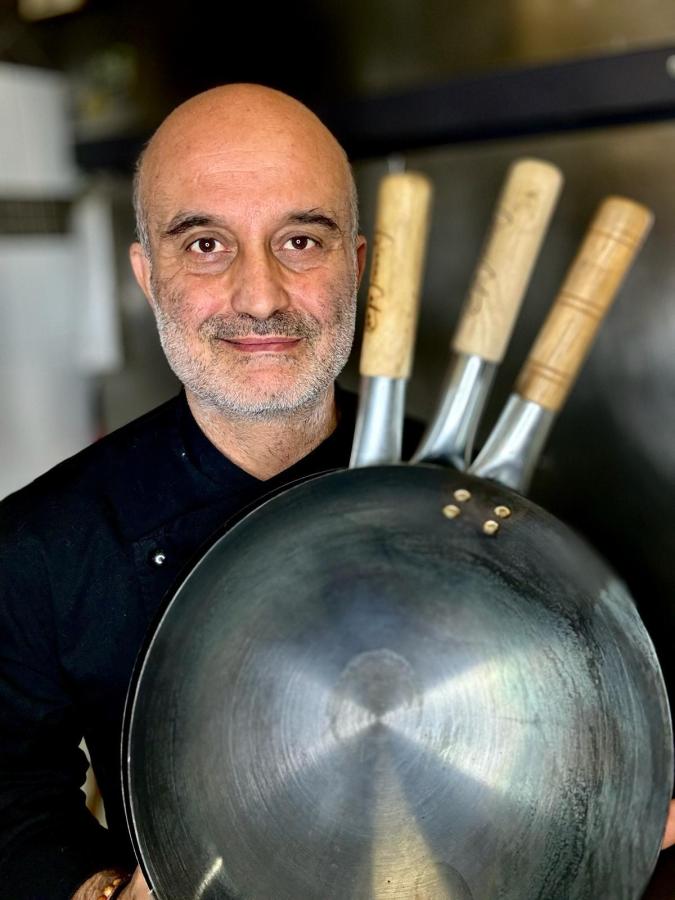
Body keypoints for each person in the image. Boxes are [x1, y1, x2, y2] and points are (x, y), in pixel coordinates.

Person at [0, 83, 673, 900]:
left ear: (355, 268)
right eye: (205, 244)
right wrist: (97, 892)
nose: (259, 296)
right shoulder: (42, 546)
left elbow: (596, 726)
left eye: (300, 241)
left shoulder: (485, 512)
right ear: (148, 274)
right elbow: (10, 794)